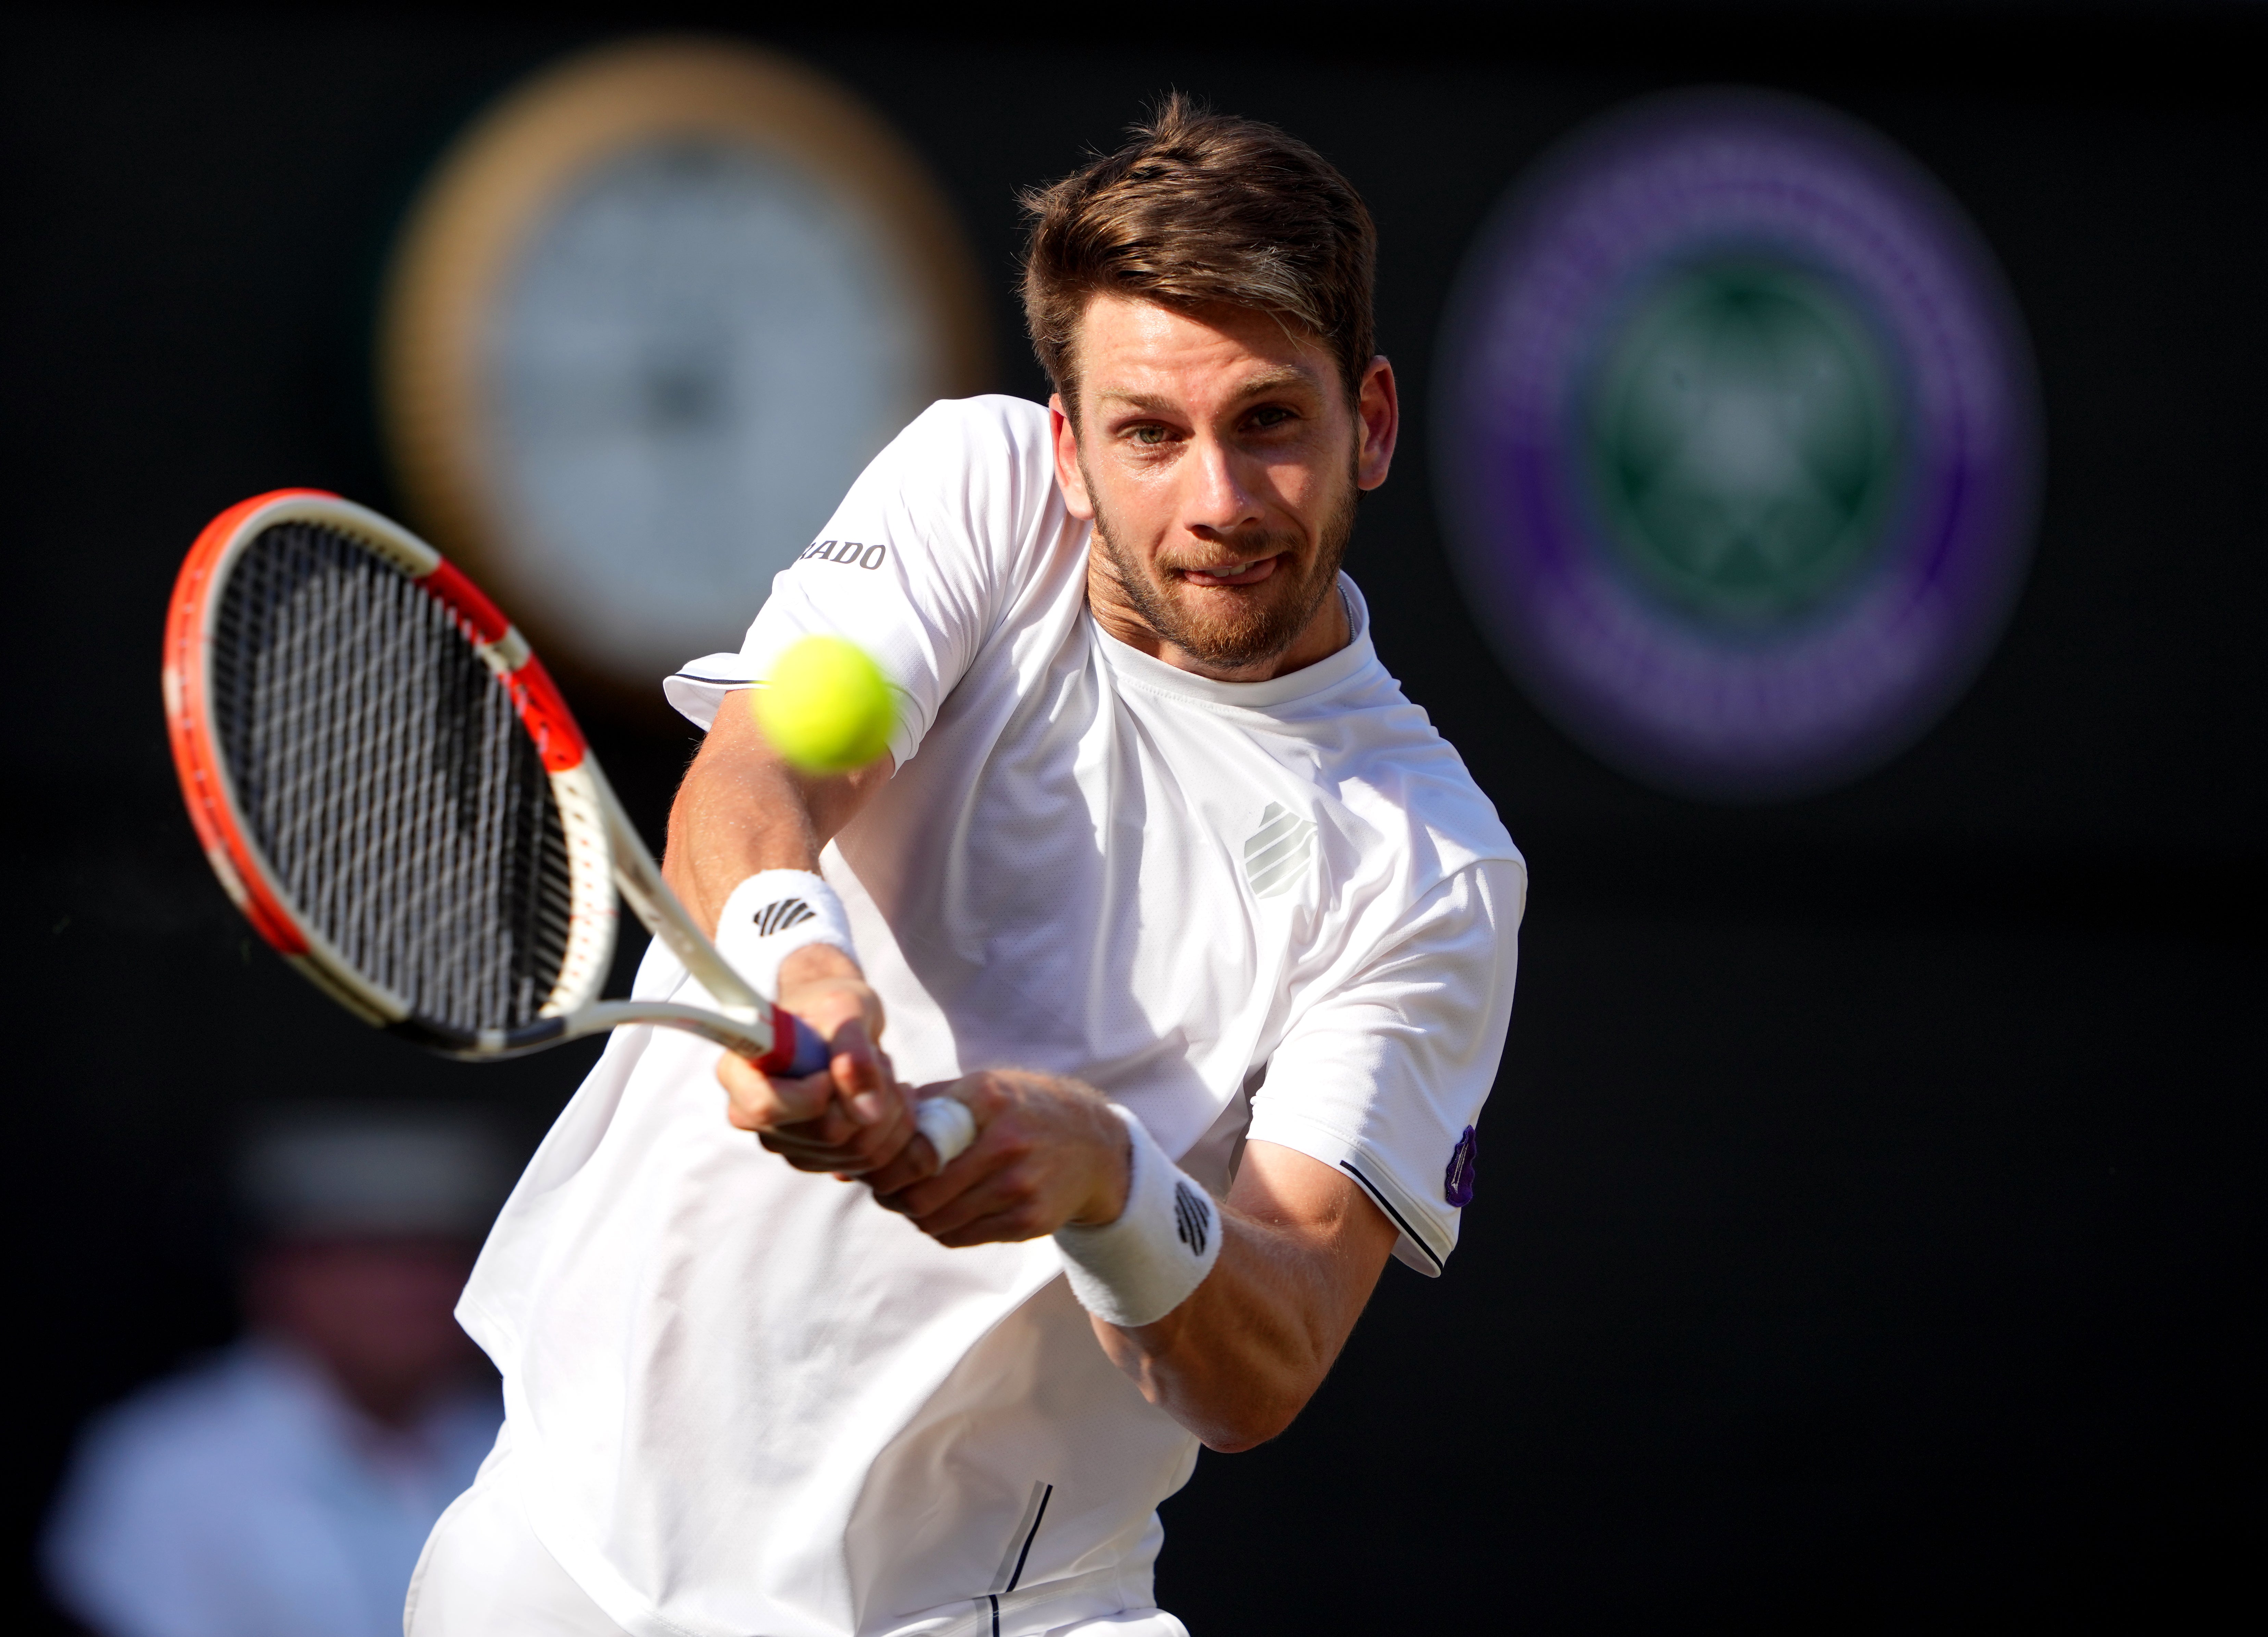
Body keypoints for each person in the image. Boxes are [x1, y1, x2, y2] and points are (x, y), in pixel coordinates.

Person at [409, 97, 1524, 1637]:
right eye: (1148, 433)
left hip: (993, 1615)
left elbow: (1264, 1354)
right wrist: (801, 961)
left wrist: (1107, 1181)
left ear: (1371, 424)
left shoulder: (1429, 866)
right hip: (563, 1565)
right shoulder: (976, 490)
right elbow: (765, 772)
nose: (1216, 500)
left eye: (1268, 420)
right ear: (1067, 451)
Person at [44, 1107, 508, 1637]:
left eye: (434, 1260)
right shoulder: (168, 1463)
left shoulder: (530, 1443)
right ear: (274, 1276)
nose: (402, 1294)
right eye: (361, 1260)